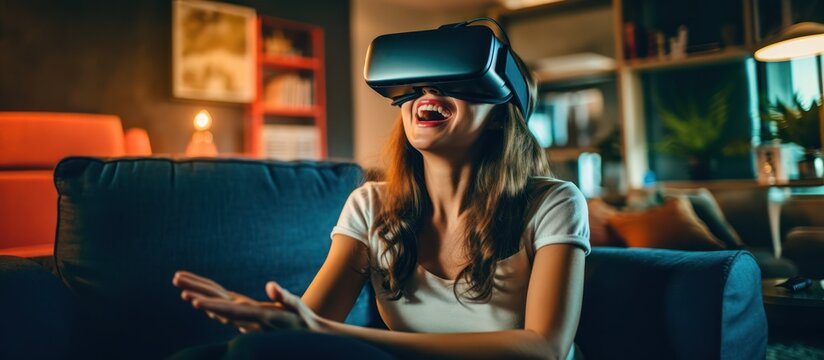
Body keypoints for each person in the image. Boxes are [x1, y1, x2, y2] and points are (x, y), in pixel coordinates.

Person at [172, 20, 590, 360]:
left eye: (452, 79)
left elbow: (545, 348)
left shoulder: (553, 203)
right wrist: (269, 320)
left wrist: (330, 333)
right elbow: (312, 324)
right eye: (418, 82)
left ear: (501, 114)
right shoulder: (371, 205)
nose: (428, 92)